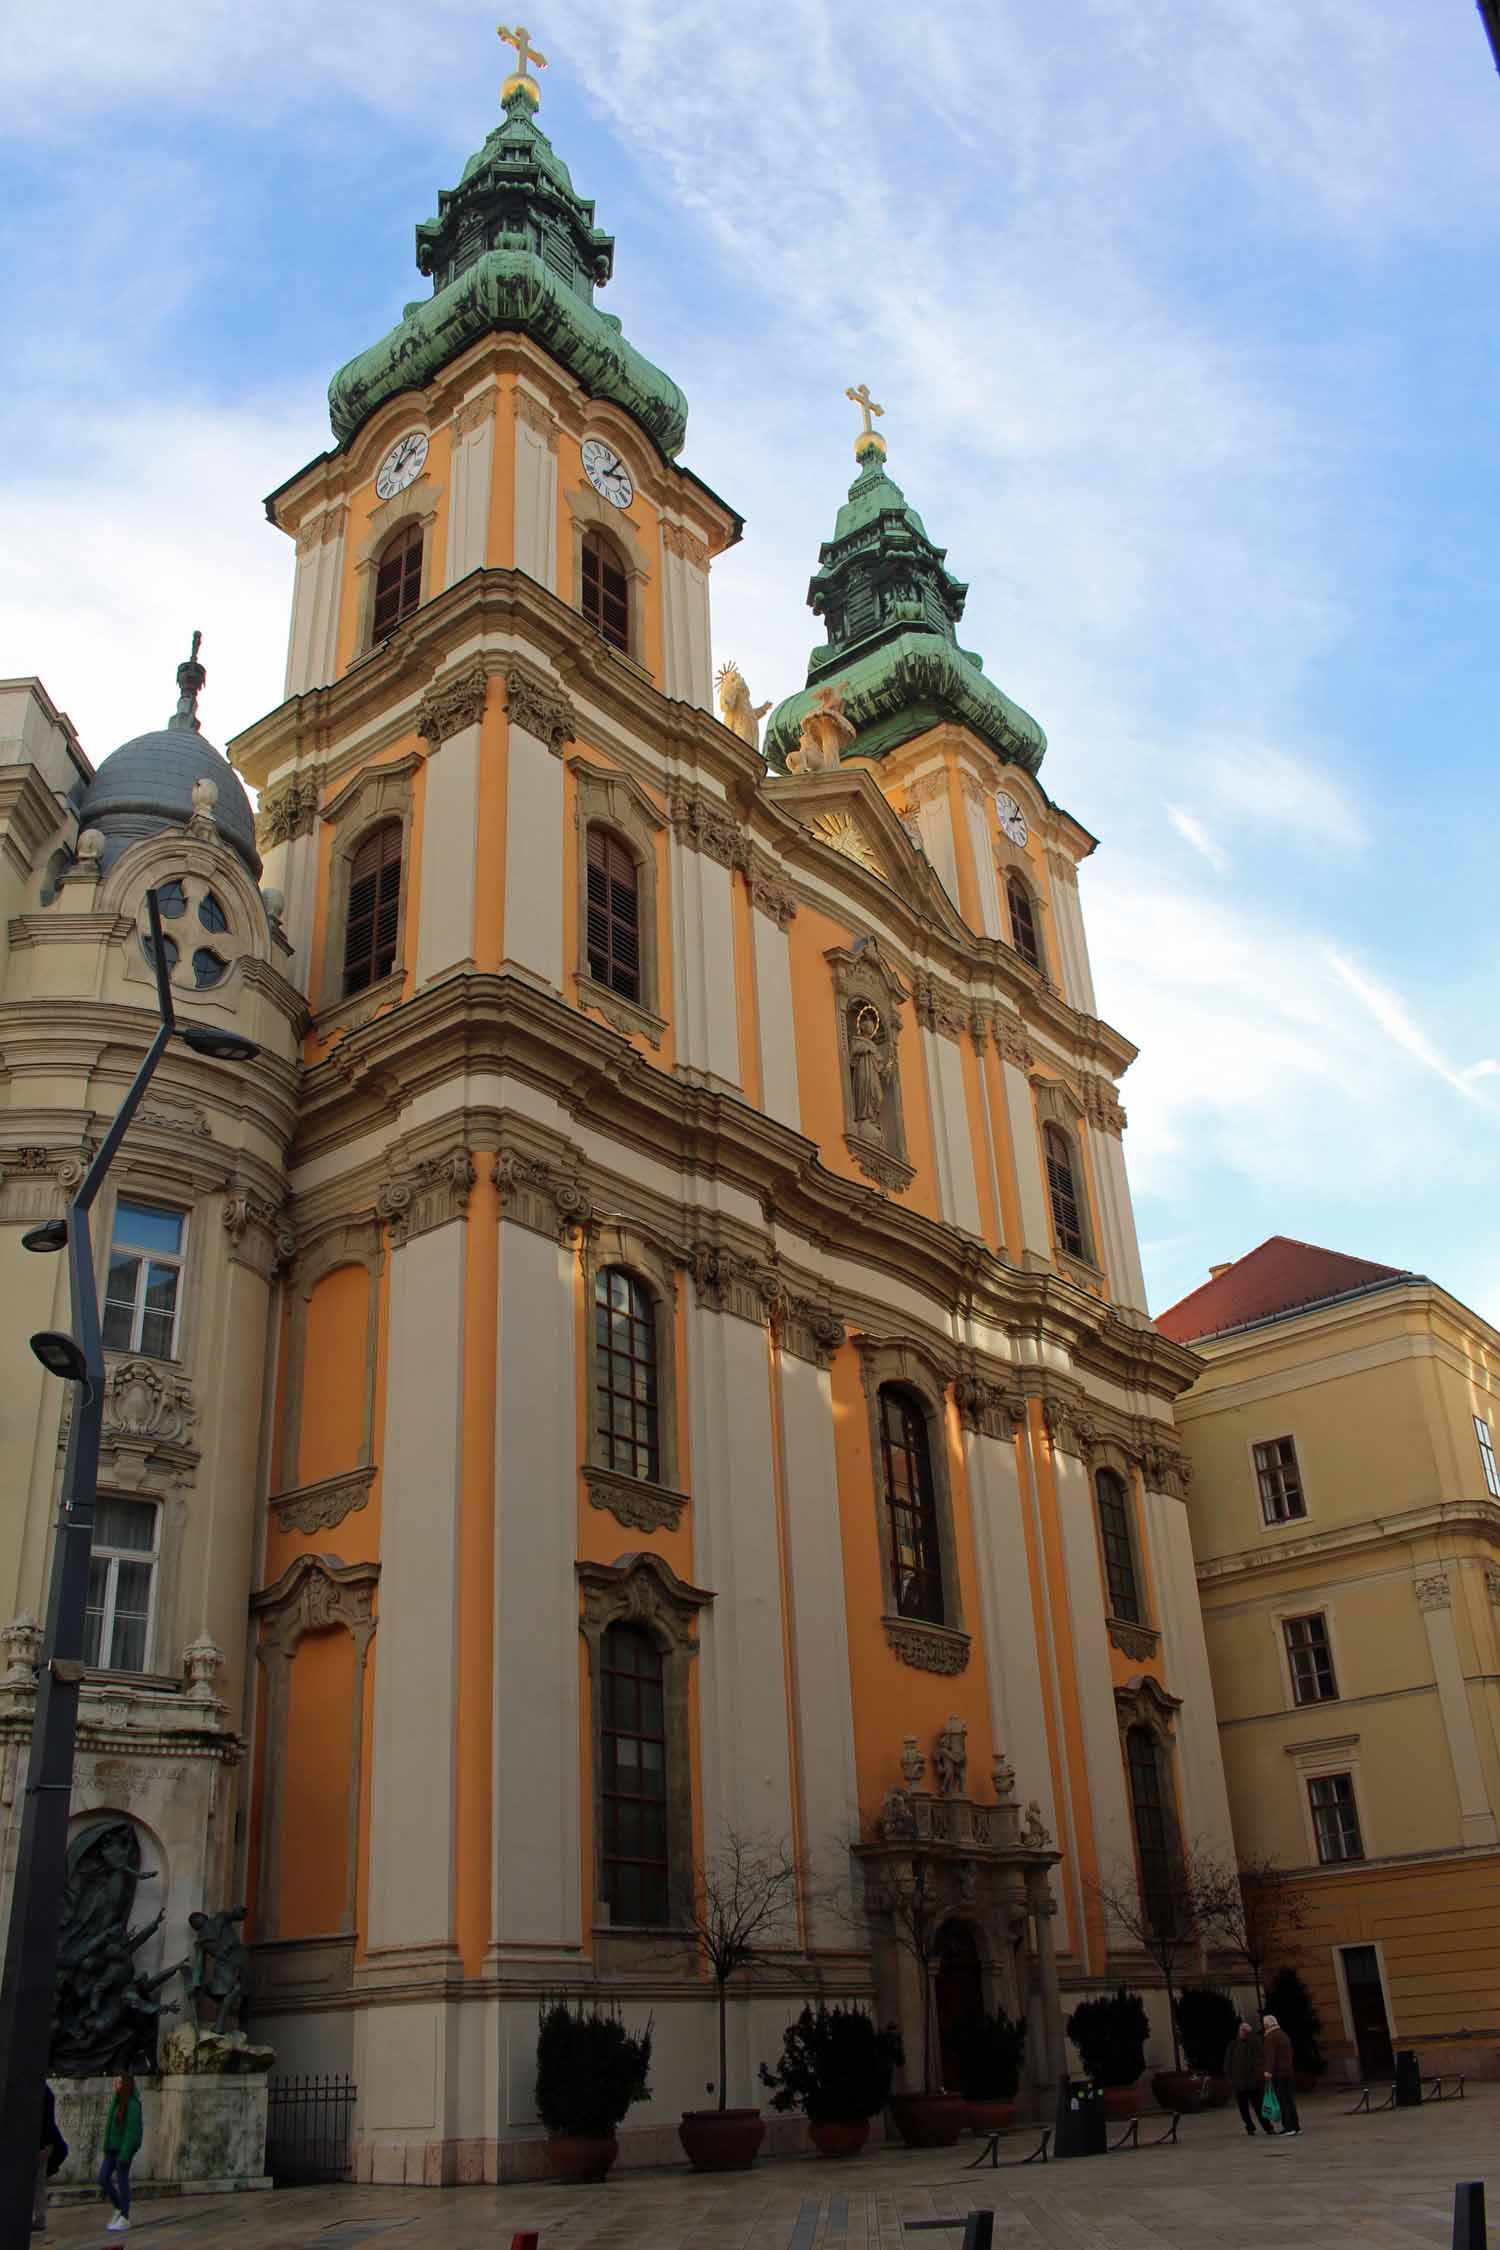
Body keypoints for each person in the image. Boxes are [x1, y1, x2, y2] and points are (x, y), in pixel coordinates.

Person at [97, 2072, 142, 2233]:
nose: (115, 2085)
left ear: (125, 2085)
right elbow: (111, 2128)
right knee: (102, 2178)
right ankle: (118, 2206)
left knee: (122, 2181)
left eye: (118, 2082)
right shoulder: (117, 2102)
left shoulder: (132, 2105)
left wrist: (125, 2153)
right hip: (112, 2149)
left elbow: (132, 2131)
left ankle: (125, 2215)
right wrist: (106, 2146)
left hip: (123, 2150)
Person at [1224, 2020, 1272, 2138]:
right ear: (1239, 2032)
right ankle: (1249, 2127)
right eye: (1242, 2030)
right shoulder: (1233, 2044)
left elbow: (1261, 2057)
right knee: (1243, 2108)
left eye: (1246, 2031)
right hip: (1239, 2083)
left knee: (1259, 2106)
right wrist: (1230, 2078)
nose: (1244, 2033)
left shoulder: (1255, 2043)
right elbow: (1227, 2063)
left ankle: (1268, 2127)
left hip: (1253, 2082)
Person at [34, 2082, 67, 2234]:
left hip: (41, 2145)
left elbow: (47, 2123)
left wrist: (46, 2145)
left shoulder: (45, 2093)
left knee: (38, 2182)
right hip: (40, 2143)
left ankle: (39, 2218)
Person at [1261, 2012, 1301, 2136]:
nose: (1264, 2027)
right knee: (1289, 2100)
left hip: (1278, 2074)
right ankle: (1296, 2126)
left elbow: (1270, 2056)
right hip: (1288, 2072)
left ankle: (1288, 2127)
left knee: (1282, 2101)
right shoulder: (1284, 2035)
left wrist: (1268, 2071)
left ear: (1267, 2025)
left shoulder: (1270, 2037)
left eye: (1264, 2025)